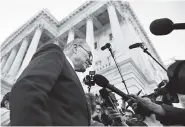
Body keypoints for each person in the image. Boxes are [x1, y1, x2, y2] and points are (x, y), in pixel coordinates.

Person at [10, 38, 93, 126]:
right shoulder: (55, 53)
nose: (91, 62)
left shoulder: (71, 74)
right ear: (75, 48)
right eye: (89, 54)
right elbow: (27, 91)